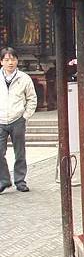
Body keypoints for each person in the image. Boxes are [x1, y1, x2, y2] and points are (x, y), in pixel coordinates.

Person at [0, 47, 37, 193]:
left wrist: (25, 116)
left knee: (20, 152)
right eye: (7, 59)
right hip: (1, 120)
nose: (10, 62)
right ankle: (4, 180)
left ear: (17, 61)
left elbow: (32, 99)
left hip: (17, 120)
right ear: (1, 61)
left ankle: (20, 180)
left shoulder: (24, 78)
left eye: (13, 59)